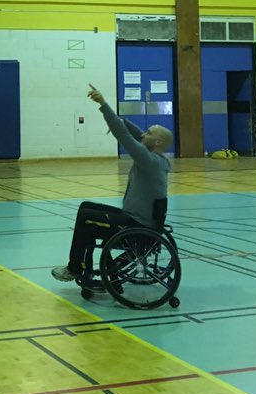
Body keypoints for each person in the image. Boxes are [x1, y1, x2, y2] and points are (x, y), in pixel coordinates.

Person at [51, 83, 173, 282]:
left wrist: (103, 104)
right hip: (136, 219)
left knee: (87, 219)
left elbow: (124, 136)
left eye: (149, 133)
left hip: (136, 226)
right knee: (85, 207)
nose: (144, 134)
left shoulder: (148, 160)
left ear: (158, 142)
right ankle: (81, 267)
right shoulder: (157, 159)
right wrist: (120, 120)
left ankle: (75, 268)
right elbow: (137, 134)